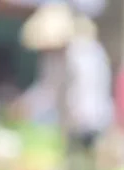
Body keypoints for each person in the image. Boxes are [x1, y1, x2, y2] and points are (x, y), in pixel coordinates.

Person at [16, 15, 114, 149]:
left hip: (88, 122)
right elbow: (46, 87)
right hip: (72, 123)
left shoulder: (83, 55)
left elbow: (82, 95)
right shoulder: (58, 57)